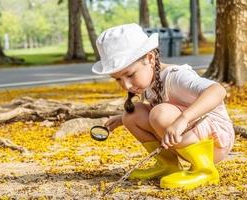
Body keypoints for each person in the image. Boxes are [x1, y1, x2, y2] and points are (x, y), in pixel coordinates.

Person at [91, 23, 235, 189]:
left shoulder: (176, 77)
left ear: (150, 59)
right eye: (118, 79)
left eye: (130, 75)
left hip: (215, 142)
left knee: (159, 113)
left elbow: (218, 91)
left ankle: (205, 169)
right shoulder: (149, 82)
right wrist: (121, 120)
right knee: (132, 114)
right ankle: (168, 165)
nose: (126, 85)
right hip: (186, 135)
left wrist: (183, 119)